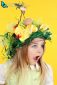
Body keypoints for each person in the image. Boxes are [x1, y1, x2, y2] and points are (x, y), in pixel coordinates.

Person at [1, 18, 53, 85]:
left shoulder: (46, 70)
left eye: (42, 46)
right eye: (34, 46)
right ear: (20, 48)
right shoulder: (5, 68)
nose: (40, 51)